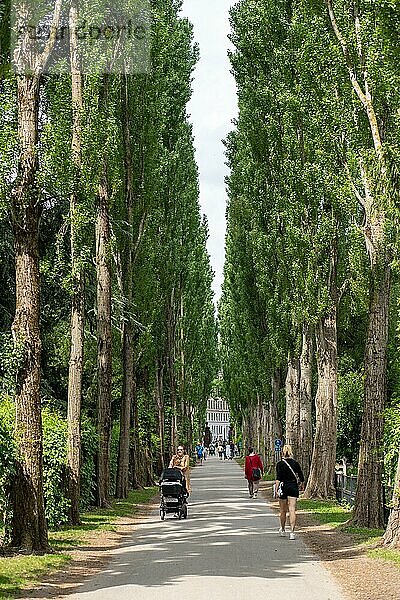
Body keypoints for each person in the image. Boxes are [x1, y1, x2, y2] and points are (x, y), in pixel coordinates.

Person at [275, 444, 304, 540]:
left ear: (282, 452)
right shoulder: (295, 463)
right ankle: (292, 532)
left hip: (283, 487)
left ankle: (283, 529)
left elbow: (278, 479)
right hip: (293, 486)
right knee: (292, 509)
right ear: (291, 452)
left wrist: (276, 489)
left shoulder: (280, 464)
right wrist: (302, 484)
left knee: (283, 510)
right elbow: (301, 475)